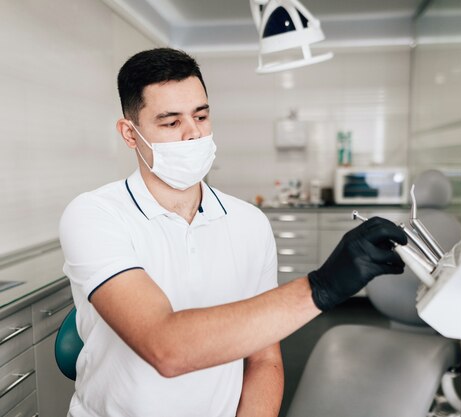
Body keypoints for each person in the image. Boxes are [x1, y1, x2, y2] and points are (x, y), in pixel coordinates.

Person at [59, 48, 407, 417]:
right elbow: (165, 347)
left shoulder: (248, 223)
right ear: (130, 134)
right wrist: (321, 288)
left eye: (201, 115)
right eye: (171, 122)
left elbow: (264, 359)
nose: (194, 134)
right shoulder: (95, 215)